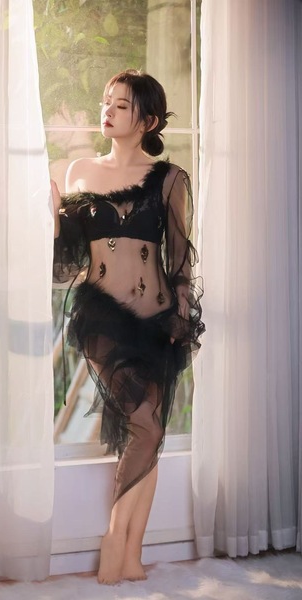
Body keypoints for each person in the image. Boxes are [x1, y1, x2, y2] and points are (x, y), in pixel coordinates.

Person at [52, 69, 204, 585]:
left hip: (158, 318)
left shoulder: (169, 178)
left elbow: (179, 257)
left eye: (121, 104)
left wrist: (181, 313)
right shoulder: (80, 171)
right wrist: (53, 214)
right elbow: (65, 256)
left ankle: (133, 553)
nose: (108, 110)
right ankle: (114, 540)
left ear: (149, 120)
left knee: (150, 431)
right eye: (106, 101)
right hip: (103, 321)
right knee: (147, 426)